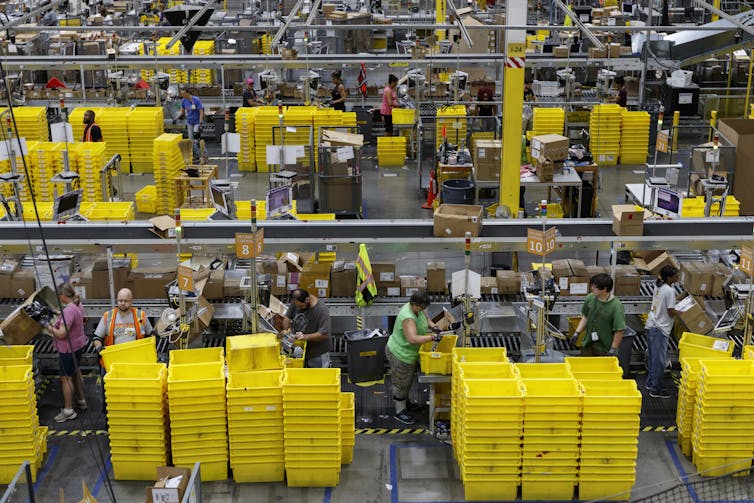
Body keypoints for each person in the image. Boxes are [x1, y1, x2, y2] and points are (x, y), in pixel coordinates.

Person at [385, 291, 443, 425]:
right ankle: (400, 411)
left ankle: (405, 403)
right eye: (422, 307)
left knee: (407, 381)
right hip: (400, 354)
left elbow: (426, 318)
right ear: (414, 304)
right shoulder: (408, 317)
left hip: (409, 354)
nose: (423, 310)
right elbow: (412, 339)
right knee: (401, 382)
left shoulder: (418, 309)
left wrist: (434, 327)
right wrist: (432, 337)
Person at [45, 282, 88, 422]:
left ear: (62, 296)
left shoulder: (69, 311)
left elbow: (61, 334)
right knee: (75, 371)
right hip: (78, 346)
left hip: (67, 349)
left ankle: (68, 410)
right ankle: (81, 400)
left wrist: (47, 325)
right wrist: (58, 313)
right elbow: (74, 318)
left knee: (65, 378)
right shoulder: (77, 305)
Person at [644, 265, 680, 399]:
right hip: (660, 328)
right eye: (676, 276)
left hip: (651, 325)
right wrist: (683, 312)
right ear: (669, 277)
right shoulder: (669, 290)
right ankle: (656, 389)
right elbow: (671, 311)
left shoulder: (659, 286)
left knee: (653, 358)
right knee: (659, 361)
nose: (678, 278)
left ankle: (650, 383)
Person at [572, 273, 626, 357]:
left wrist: (613, 349)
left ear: (604, 289)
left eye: (595, 287)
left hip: (605, 349)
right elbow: (585, 317)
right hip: (588, 344)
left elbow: (619, 330)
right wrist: (577, 332)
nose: (592, 288)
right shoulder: (590, 298)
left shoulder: (616, 306)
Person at [282, 289, 332, 368]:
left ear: (307, 300)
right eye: (297, 306)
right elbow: (287, 317)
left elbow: (324, 334)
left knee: (316, 377)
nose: (299, 308)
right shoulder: (297, 301)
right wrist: (286, 331)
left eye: (301, 306)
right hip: (300, 351)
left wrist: (305, 337)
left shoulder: (321, 310)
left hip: (317, 353)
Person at [177, 86, 204, 161]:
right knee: (191, 140)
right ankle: (197, 155)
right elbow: (182, 112)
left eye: (184, 94)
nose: (183, 96)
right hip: (189, 122)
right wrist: (176, 118)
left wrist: (201, 122)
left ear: (188, 93)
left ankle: (203, 154)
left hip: (197, 122)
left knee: (196, 139)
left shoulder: (196, 100)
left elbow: (201, 112)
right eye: (181, 94)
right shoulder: (183, 101)